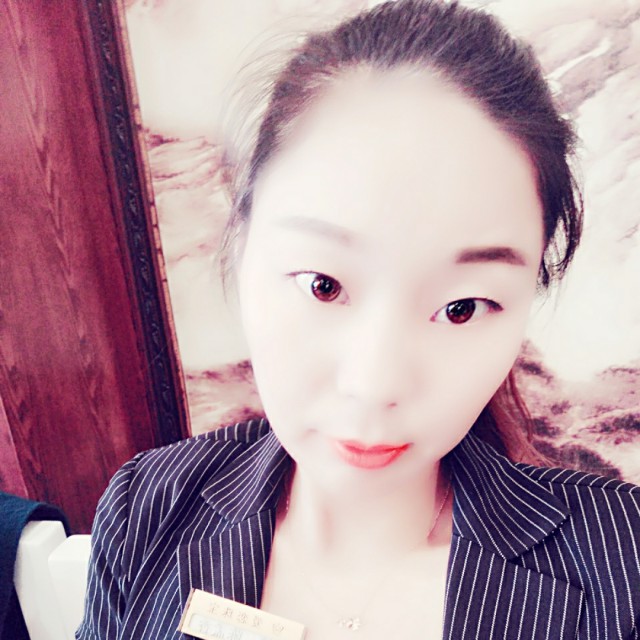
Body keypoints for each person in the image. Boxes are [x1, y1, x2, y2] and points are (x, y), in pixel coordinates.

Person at [76, 1, 640, 638]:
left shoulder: (623, 565)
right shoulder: (148, 510)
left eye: (460, 308)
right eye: (324, 285)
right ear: (241, 251)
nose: (375, 385)